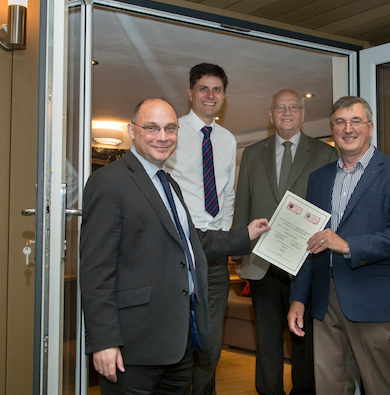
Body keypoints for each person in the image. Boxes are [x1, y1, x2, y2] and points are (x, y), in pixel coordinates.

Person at [80, 98, 270, 395]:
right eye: (152, 128)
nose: (163, 136)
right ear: (132, 130)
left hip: (179, 345)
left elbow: (194, 240)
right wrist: (103, 341)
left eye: (170, 128)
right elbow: (95, 271)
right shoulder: (108, 182)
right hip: (135, 346)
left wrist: (244, 234)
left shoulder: (169, 183)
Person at [288, 96, 390, 395]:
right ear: (332, 129)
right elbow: (310, 243)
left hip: (374, 300)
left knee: (384, 388)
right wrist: (298, 298)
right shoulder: (318, 179)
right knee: (330, 388)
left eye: (356, 121)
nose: (348, 129)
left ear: (370, 127)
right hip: (325, 301)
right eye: (340, 122)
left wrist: (347, 245)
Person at [234, 89, 337, 395]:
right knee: (266, 341)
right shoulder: (252, 154)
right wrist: (241, 258)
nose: (287, 112)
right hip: (262, 265)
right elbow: (243, 207)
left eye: (294, 107)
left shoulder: (324, 154)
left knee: (304, 341)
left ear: (303, 114)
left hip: (306, 265)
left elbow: (330, 213)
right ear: (271, 114)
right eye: (281, 107)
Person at [165, 63, 236, 395]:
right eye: (203, 89)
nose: (210, 95)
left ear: (223, 96)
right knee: (177, 338)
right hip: (180, 249)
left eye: (217, 89)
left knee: (210, 343)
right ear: (190, 93)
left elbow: (227, 192)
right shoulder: (171, 132)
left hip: (216, 253)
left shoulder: (227, 139)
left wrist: (223, 233)